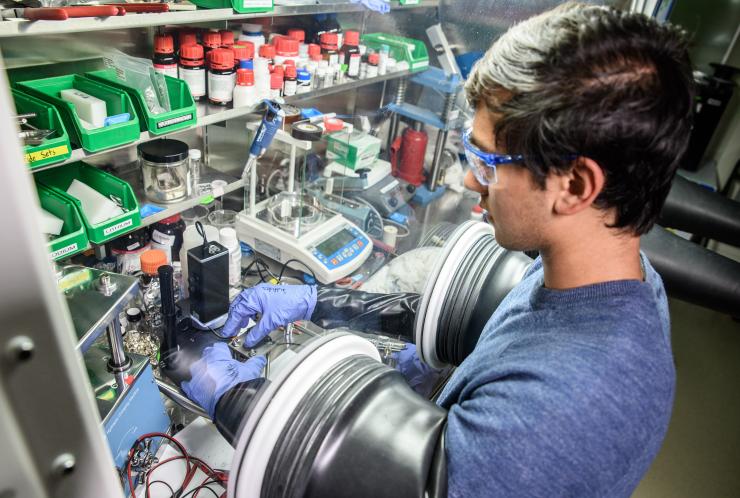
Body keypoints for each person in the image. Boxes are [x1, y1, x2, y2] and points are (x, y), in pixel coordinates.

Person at [179, 3, 694, 496]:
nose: (470, 180)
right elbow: (469, 320)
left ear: (577, 185)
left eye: (489, 163)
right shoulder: (605, 276)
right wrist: (317, 302)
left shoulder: (558, 415)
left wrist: (235, 398)